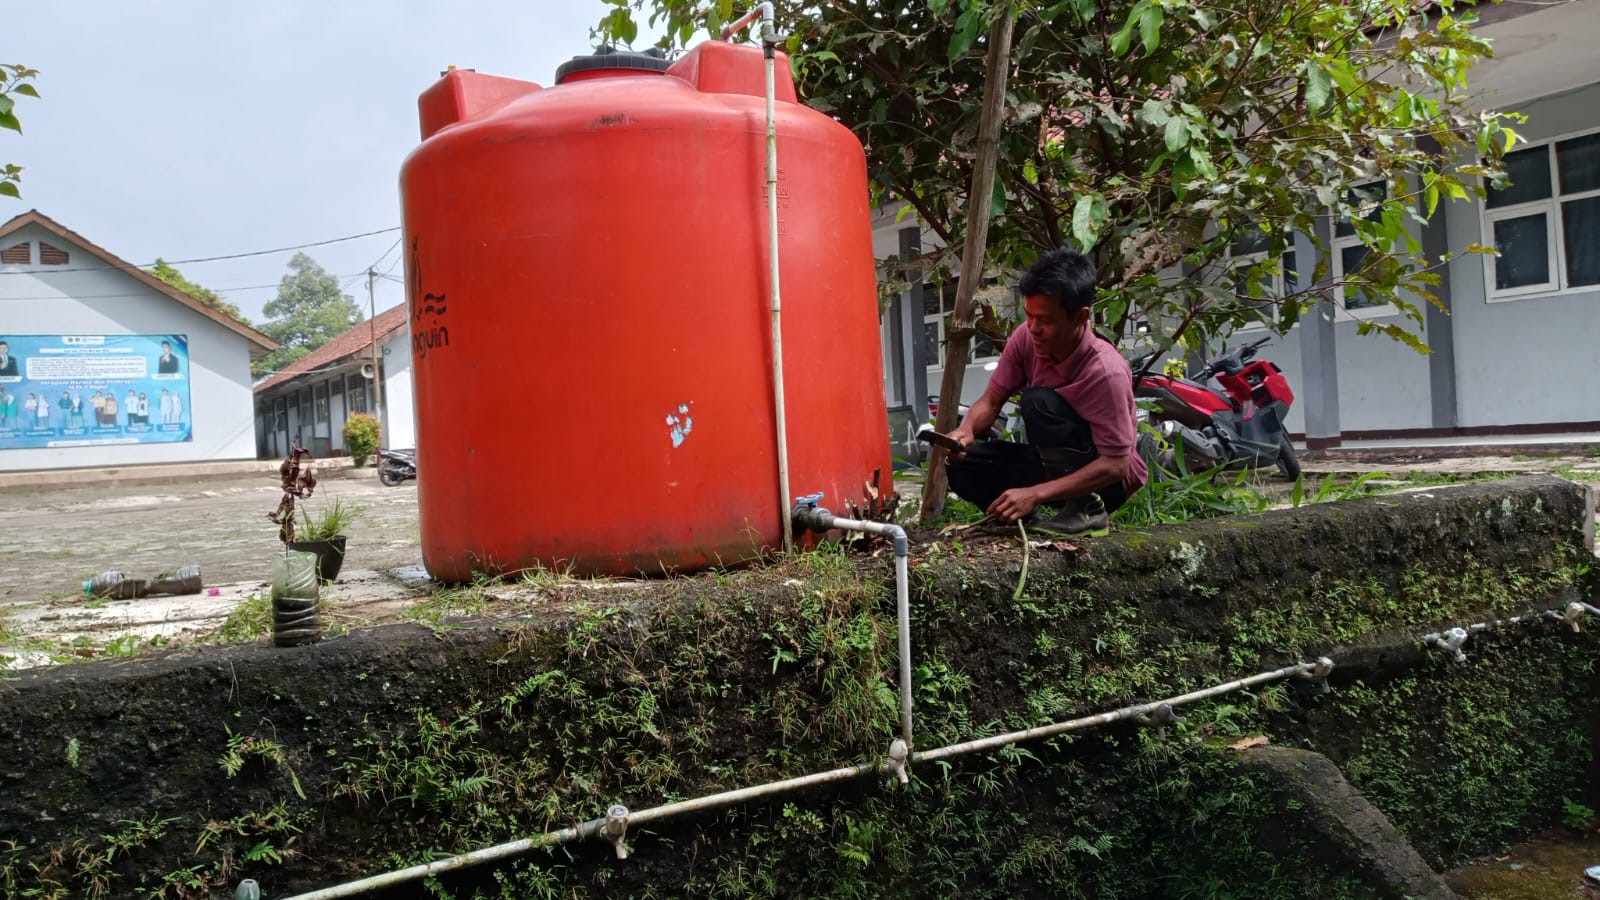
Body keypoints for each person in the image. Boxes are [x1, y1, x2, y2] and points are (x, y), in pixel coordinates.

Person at [943, 248, 1149, 536]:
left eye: (1046, 320)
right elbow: (991, 400)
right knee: (965, 467)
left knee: (1039, 402)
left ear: (1080, 317)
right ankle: (1024, 521)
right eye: (1029, 316)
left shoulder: (1105, 372)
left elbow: (1116, 465)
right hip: (1051, 465)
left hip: (1105, 482)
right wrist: (964, 431)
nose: (1033, 328)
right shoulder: (1026, 338)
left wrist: (1036, 493)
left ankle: (1086, 511)